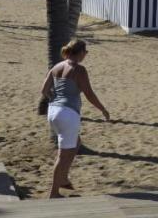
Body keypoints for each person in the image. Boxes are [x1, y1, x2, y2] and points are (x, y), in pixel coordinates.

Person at [40, 38, 110, 198]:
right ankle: (54, 192)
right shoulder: (79, 70)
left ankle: (63, 178)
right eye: (85, 52)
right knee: (62, 155)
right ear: (79, 53)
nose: (86, 55)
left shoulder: (56, 67)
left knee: (76, 143)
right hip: (68, 114)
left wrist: (55, 100)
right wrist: (103, 109)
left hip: (53, 112)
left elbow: (44, 90)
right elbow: (89, 94)